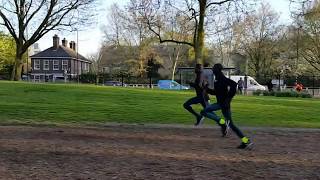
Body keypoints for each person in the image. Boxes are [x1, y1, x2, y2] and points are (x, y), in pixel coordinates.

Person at [201, 63, 253, 149]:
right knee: (232, 125)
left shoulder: (222, 78)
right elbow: (217, 92)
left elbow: (234, 85)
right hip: (222, 104)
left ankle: (222, 122)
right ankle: (246, 141)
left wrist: (228, 99)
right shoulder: (217, 79)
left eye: (214, 68)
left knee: (204, 111)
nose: (212, 70)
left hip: (222, 104)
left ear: (217, 70)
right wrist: (207, 89)